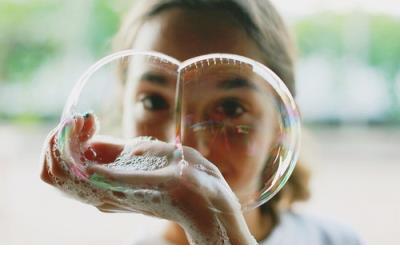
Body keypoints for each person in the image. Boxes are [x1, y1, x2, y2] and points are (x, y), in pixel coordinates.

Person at [40, 0, 362, 245]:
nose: (187, 146)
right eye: (154, 101)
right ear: (122, 107)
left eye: (231, 108)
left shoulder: (340, 246)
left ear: (282, 126)